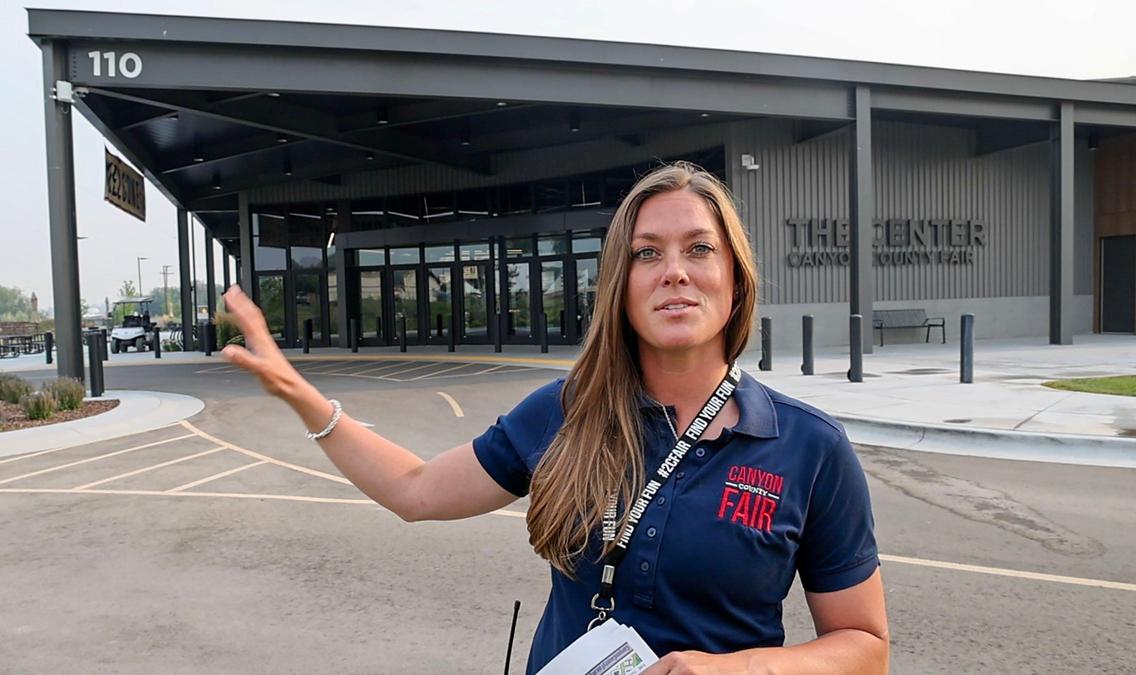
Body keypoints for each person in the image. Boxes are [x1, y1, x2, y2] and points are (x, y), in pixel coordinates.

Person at [221, 162, 889, 674]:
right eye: (647, 252)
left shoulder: (809, 447)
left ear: (735, 277)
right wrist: (296, 390)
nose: (674, 272)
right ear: (620, 286)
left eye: (699, 249)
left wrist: (737, 667)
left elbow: (865, 646)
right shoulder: (567, 410)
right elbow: (416, 489)